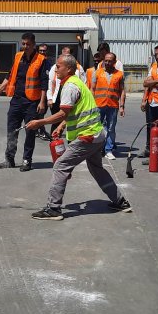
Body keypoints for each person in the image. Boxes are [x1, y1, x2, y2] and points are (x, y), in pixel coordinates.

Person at [25, 54, 131, 220]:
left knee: (60, 165)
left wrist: (40, 122)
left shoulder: (70, 86)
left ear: (68, 69)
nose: (55, 69)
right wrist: (61, 126)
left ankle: (53, 208)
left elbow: (63, 112)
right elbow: (75, 111)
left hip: (87, 136)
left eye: (58, 66)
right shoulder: (76, 83)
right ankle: (120, 201)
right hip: (97, 135)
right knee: (96, 168)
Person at [0, 32, 52, 172]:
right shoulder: (18, 57)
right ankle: (9, 159)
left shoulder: (42, 60)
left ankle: (27, 160)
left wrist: (42, 103)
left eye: (28, 44)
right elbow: (9, 76)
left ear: (34, 45)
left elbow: (44, 83)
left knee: (30, 132)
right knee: (11, 130)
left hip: (32, 102)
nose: (25, 46)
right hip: (17, 101)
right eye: (23, 44)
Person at [92, 52, 126, 160]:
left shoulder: (119, 74)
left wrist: (121, 106)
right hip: (98, 104)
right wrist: (91, 104)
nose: (107, 63)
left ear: (114, 62)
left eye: (110, 61)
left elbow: (122, 91)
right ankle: (97, 149)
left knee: (111, 128)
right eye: (105, 60)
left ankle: (108, 150)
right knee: (97, 128)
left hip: (113, 105)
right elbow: (92, 89)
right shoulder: (97, 73)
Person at [46, 46, 86, 137]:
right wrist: (50, 98)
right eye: (63, 55)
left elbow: (84, 83)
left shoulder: (73, 81)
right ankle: (55, 140)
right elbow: (51, 82)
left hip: (73, 98)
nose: (56, 69)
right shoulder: (55, 68)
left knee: (68, 119)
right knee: (58, 123)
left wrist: (40, 122)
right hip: (58, 96)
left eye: (68, 55)